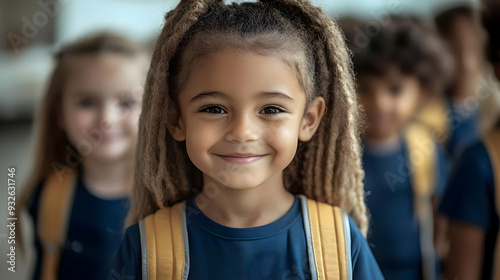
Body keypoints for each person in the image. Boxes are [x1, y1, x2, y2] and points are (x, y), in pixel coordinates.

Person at [109, 1, 383, 279]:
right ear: (176, 119)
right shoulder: (146, 248)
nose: (242, 132)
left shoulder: (339, 243)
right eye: (214, 109)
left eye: (271, 109)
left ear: (308, 120)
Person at [17, 33, 148, 280]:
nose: (107, 119)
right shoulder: (46, 197)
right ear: (59, 114)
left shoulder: (172, 201)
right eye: (87, 102)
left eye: (127, 102)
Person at [348, 16, 451, 280]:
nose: (379, 103)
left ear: (422, 92)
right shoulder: (341, 151)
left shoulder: (426, 147)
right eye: (366, 89)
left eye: (395, 90)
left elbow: (439, 212)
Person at [439, 1, 500, 279]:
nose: (465, 62)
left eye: (472, 50)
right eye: (453, 51)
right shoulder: (480, 160)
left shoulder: (487, 109)